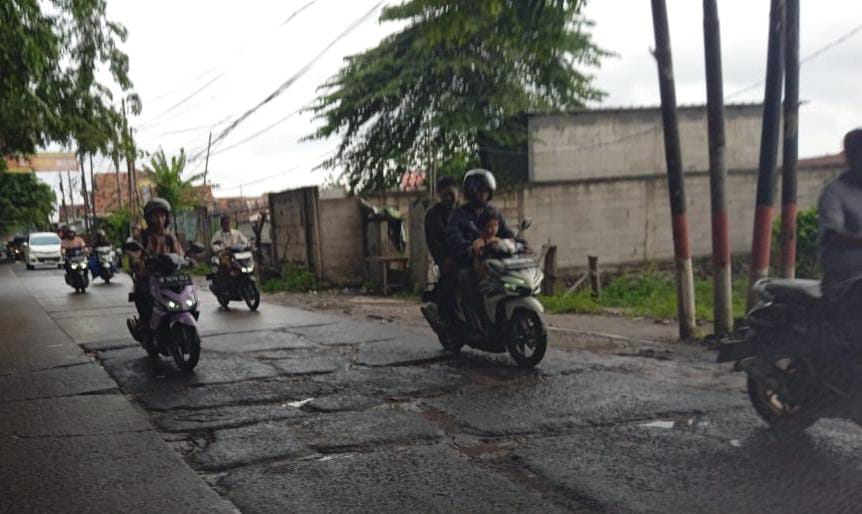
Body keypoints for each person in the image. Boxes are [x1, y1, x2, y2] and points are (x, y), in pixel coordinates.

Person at [446, 169, 514, 325]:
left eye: (486, 192)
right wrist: (469, 248)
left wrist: (517, 244)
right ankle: (472, 320)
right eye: (479, 192)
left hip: (493, 262)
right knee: (465, 277)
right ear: (471, 193)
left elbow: (507, 233)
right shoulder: (459, 215)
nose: (483, 196)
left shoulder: (493, 213)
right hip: (468, 262)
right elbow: (453, 238)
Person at [129, 198, 185, 339]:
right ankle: (144, 324)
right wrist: (137, 260)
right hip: (148, 277)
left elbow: (180, 253)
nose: (159, 220)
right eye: (155, 216)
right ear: (149, 218)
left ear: (167, 218)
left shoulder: (170, 237)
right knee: (142, 293)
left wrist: (189, 260)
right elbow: (133, 252)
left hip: (168, 277)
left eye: (162, 216)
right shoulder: (143, 236)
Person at [424, 176, 459, 322]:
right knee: (450, 284)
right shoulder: (433, 215)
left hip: (466, 256)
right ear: (439, 194)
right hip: (447, 260)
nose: (449, 198)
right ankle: (447, 320)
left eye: (452, 194)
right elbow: (434, 242)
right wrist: (444, 260)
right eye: (445, 195)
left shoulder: (463, 211)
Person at [472, 206, 505, 281]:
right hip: (484, 276)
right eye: (489, 226)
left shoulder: (498, 240)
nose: (493, 229)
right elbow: (478, 265)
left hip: (498, 275)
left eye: (496, 225)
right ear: (482, 227)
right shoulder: (479, 242)